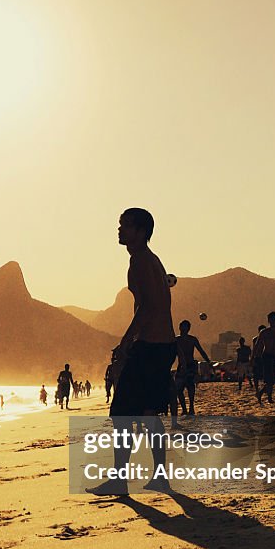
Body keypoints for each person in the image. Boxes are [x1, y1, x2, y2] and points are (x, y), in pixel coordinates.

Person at [90, 208, 176, 494]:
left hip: (151, 345)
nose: (119, 230)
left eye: (125, 226)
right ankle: (159, 476)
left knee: (122, 414)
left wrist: (127, 341)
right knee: (150, 413)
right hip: (162, 344)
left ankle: (119, 479)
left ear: (140, 232)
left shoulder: (140, 261)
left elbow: (149, 307)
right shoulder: (151, 260)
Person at [175, 320, 210, 415]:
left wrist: (208, 361)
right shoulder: (176, 340)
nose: (183, 330)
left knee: (190, 387)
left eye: (185, 328)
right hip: (181, 366)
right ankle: (185, 409)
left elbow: (201, 351)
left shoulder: (192, 339)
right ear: (180, 328)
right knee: (179, 389)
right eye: (182, 328)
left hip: (190, 365)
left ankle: (190, 407)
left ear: (188, 329)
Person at [251, 324, 267, 394]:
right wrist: (252, 358)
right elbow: (254, 349)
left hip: (263, 357)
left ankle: (262, 388)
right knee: (256, 375)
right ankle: (257, 388)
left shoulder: (267, 338)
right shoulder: (255, 339)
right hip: (258, 358)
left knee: (264, 374)